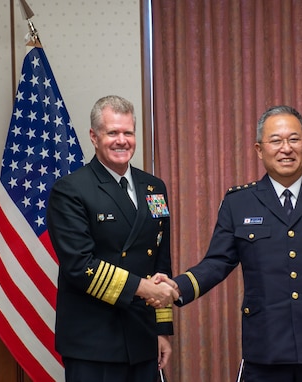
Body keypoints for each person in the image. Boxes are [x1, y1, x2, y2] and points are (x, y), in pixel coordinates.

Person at [155, 105, 302, 382]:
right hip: (266, 343)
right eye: (276, 141)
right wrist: (177, 287)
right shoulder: (239, 203)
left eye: (294, 139)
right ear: (259, 150)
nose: (286, 148)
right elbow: (217, 262)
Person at [47, 95, 178, 382]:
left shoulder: (154, 187)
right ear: (94, 137)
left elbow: (160, 262)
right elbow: (80, 266)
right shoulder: (70, 190)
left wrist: (162, 330)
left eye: (128, 132)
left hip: (143, 338)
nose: (122, 140)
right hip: (94, 343)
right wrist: (144, 289)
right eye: (113, 133)